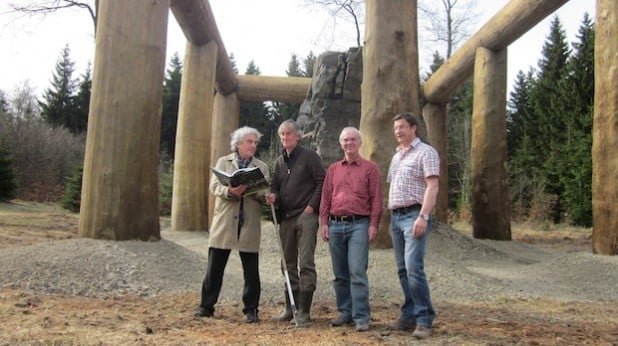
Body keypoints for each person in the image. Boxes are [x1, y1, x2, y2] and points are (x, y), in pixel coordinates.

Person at [194, 126, 269, 323]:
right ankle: (206, 306)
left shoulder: (261, 166)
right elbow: (214, 186)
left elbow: (264, 189)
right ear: (238, 144)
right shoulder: (223, 162)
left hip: (249, 223)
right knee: (214, 267)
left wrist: (263, 195)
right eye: (249, 142)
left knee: (251, 271)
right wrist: (230, 191)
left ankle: (251, 310)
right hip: (225, 222)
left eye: (255, 142)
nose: (253, 145)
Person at [319, 127, 383, 332]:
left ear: (360, 143)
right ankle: (345, 311)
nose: (349, 143)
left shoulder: (370, 169)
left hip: (359, 224)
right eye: (345, 140)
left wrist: (373, 225)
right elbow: (326, 196)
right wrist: (324, 222)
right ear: (341, 143)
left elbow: (377, 199)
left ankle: (362, 316)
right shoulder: (333, 169)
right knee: (340, 273)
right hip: (335, 224)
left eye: (353, 140)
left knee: (357, 270)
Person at [386, 112, 440, 339]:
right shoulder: (396, 156)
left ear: (414, 128)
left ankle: (424, 319)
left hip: (414, 216)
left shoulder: (426, 152)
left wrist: (423, 217)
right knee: (402, 270)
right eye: (396, 128)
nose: (398, 131)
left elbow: (432, 186)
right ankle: (408, 316)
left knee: (413, 268)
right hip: (396, 218)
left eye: (402, 127)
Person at [266, 119, 325, 326]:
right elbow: (275, 185)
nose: (285, 138)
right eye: (282, 134)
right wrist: (273, 196)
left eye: (288, 134)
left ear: (297, 136)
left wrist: (311, 207)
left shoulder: (310, 157)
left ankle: (304, 311)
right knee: (286, 263)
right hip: (285, 217)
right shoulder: (279, 161)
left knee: (306, 262)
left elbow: (321, 182)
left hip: (305, 215)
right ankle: (289, 306)